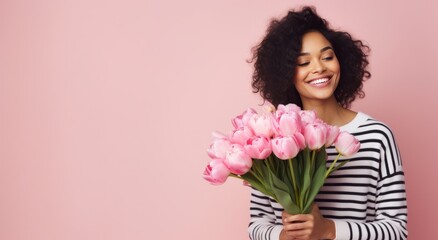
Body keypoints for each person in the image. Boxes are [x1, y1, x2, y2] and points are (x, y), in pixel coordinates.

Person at [247, 6, 408, 240]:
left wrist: (328, 230)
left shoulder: (377, 136)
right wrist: (284, 235)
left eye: (327, 57)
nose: (319, 68)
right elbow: (256, 226)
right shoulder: (272, 139)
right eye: (303, 62)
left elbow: (397, 231)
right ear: (285, 74)